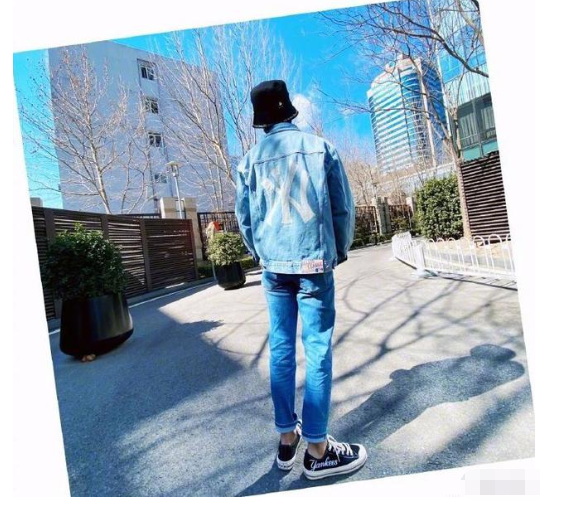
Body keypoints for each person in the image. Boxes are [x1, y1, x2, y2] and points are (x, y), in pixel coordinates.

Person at [235, 80, 367, 480]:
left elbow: (245, 219)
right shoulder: (320, 148)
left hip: (274, 266)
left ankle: (286, 437)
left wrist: (260, 254)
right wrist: (338, 250)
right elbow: (342, 208)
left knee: (280, 349)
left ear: (261, 120)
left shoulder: (249, 162)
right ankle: (317, 449)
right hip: (313, 262)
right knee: (318, 350)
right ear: (290, 110)